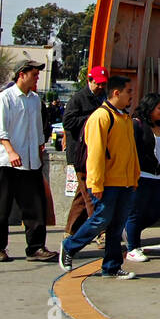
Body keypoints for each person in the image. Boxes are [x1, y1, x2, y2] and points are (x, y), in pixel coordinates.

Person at [59, 76, 141, 278]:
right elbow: (95, 154)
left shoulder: (125, 118)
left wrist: (134, 177)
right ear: (116, 93)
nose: (131, 96)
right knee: (100, 220)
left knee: (116, 225)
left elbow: (131, 152)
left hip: (125, 182)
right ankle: (70, 246)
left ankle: (111, 267)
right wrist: (95, 183)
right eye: (128, 91)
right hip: (108, 182)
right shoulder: (101, 117)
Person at [0, 61, 58, 263]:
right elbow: (0, 130)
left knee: (35, 206)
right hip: (7, 161)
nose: (37, 78)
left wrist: (38, 150)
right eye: (34, 74)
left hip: (30, 161)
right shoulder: (4, 98)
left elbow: (37, 129)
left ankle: (36, 247)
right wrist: (10, 151)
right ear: (21, 74)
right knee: (2, 206)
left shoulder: (35, 100)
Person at [124, 92, 160, 262]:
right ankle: (133, 247)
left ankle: (130, 231)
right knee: (136, 212)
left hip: (157, 177)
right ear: (150, 108)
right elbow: (132, 151)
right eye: (159, 108)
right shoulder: (137, 125)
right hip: (141, 176)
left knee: (156, 212)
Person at [62, 66, 108, 236]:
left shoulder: (102, 98)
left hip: (95, 152)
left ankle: (71, 230)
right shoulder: (78, 99)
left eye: (104, 84)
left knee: (82, 197)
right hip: (81, 155)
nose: (101, 87)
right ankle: (99, 232)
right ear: (90, 81)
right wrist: (92, 118)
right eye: (98, 83)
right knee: (91, 194)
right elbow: (68, 122)